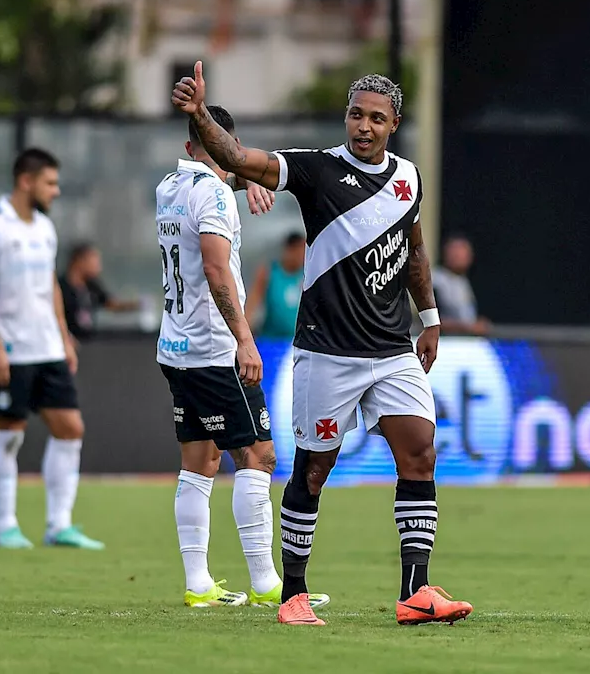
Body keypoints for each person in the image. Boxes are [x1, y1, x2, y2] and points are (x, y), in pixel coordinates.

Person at [172, 62, 474, 627]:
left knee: (421, 453)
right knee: (313, 470)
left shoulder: (409, 177)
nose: (364, 126)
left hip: (391, 349)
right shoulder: (317, 170)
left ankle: (416, 591)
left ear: (394, 124)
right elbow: (240, 160)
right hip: (327, 352)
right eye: (356, 114)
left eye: (376, 118)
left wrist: (429, 316)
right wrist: (201, 116)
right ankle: (294, 593)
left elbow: (412, 246)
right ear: (347, 118)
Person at [156, 104, 330, 610]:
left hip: (175, 346)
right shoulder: (212, 193)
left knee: (199, 461)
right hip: (215, 348)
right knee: (259, 456)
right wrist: (244, 339)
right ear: (223, 147)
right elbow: (216, 270)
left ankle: (198, 584)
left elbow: (207, 189)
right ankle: (265, 582)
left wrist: (238, 180)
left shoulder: (171, 186)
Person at [0, 148, 103, 551]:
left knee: (70, 429)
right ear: (26, 181)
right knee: (10, 434)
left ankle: (59, 526)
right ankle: (7, 526)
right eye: (50, 182)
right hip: (9, 349)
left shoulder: (45, 228)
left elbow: (51, 287)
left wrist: (63, 336)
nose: (56, 191)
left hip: (47, 347)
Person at [58, 242, 141, 342]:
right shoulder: (61, 287)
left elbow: (111, 304)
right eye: (94, 261)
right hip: (68, 343)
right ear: (79, 260)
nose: (98, 266)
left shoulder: (92, 285)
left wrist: (136, 305)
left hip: (89, 342)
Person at [245, 232, 305, 342]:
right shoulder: (268, 272)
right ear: (290, 250)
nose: (304, 256)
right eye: (300, 251)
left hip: (298, 341)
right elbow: (251, 305)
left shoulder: (307, 275)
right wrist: (244, 337)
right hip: (271, 340)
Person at [431, 234, 491, 336]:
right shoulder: (436, 280)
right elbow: (429, 321)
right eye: (455, 251)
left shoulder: (464, 281)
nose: (458, 256)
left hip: (465, 344)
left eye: (463, 252)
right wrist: (469, 327)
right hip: (443, 343)